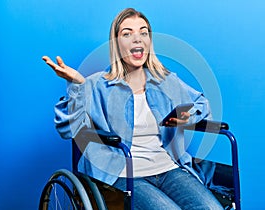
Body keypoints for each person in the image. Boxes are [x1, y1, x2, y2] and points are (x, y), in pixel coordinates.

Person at [43, 8, 223, 210]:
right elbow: (67, 130)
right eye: (127, 33)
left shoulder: (166, 81)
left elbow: (202, 105)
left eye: (143, 32)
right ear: (116, 43)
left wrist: (187, 115)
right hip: (121, 173)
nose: (137, 39)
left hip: (167, 167)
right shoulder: (96, 85)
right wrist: (76, 86)